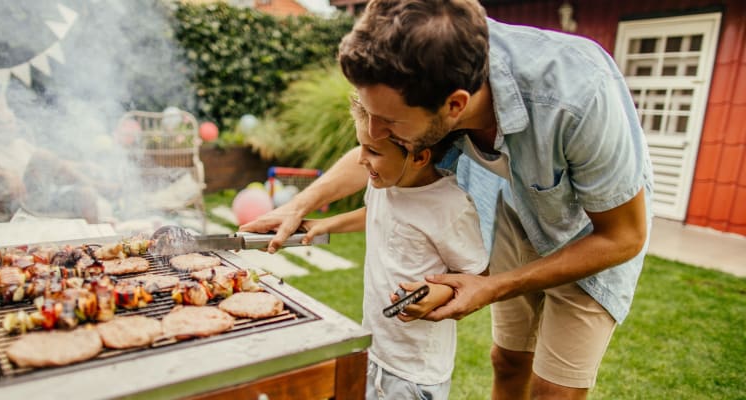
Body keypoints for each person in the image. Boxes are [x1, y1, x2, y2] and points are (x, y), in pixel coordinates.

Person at [241, 1, 654, 399]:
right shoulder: (430, 66)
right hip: (514, 207)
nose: (376, 131)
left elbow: (624, 236)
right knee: (508, 361)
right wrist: (300, 205)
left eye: (390, 122)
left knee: (554, 392)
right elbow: (378, 150)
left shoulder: (578, 96)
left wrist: (493, 286)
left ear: (455, 105)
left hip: (589, 234)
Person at [300, 99, 488, 400]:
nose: (361, 159)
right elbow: (375, 216)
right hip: (375, 349)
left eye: (373, 151)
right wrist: (326, 224)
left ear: (418, 157)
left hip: (414, 372)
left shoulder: (450, 207)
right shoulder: (385, 184)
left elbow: (476, 273)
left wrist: (437, 293)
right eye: (361, 146)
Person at [0, 104, 113, 223]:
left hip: (40, 196)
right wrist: (7, 173)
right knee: (42, 155)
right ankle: (94, 184)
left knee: (86, 194)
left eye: (11, 121)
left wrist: (83, 164)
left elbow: (54, 163)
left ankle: (96, 245)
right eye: (3, 123)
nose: (10, 126)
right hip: (13, 200)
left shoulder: (21, 144)